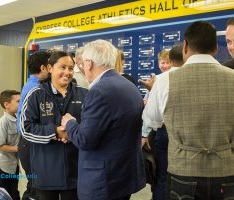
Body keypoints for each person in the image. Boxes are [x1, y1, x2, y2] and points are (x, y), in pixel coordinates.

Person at [143, 21, 234, 199]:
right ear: (216, 48)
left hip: (183, 171)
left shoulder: (164, 81)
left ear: (185, 46)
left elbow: (152, 120)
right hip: (226, 171)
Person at [61, 39, 146, 200]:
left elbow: (85, 140)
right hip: (124, 175)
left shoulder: (98, 92)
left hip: (103, 181)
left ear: (89, 63)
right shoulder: (129, 86)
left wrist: (69, 123)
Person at [20, 51, 87, 200]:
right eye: (62, 67)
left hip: (76, 173)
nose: (67, 72)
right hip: (46, 173)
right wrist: (55, 132)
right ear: (50, 68)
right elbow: (26, 128)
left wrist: (73, 132)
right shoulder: (36, 94)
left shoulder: (84, 94)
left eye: (70, 68)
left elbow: (92, 125)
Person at [141, 45, 184, 200]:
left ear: (171, 61)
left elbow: (151, 116)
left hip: (164, 131)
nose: (164, 65)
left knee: (162, 175)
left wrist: (145, 132)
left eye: (167, 62)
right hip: (185, 134)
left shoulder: (160, 80)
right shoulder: (191, 76)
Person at [17, 51, 50, 200]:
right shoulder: (35, 89)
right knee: (37, 188)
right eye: (53, 64)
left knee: (34, 186)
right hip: (30, 143)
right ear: (44, 68)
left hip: (30, 142)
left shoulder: (34, 84)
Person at [0, 90, 21, 200]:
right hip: (2, 164)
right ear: (6, 105)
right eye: (18, 101)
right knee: (4, 193)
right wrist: (19, 149)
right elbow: (1, 146)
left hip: (13, 163)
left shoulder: (17, 119)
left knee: (13, 190)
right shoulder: (2, 122)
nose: (21, 103)